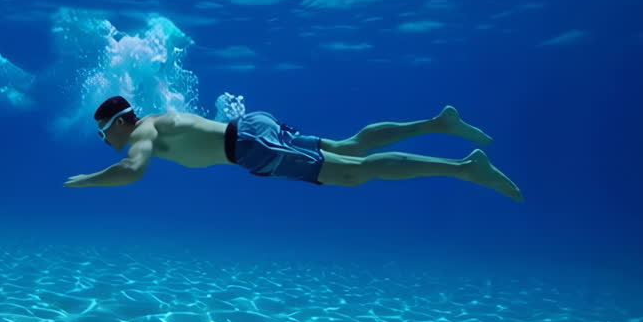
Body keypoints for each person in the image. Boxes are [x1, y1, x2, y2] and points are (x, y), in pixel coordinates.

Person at [64, 96, 523, 202]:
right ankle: (439, 122)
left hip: (247, 146)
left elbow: (131, 170)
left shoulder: (142, 131)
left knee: (354, 170)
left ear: (120, 121)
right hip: (250, 127)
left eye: (103, 132)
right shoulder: (158, 118)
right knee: (348, 145)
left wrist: (86, 179)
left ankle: (465, 169)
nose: (105, 140)